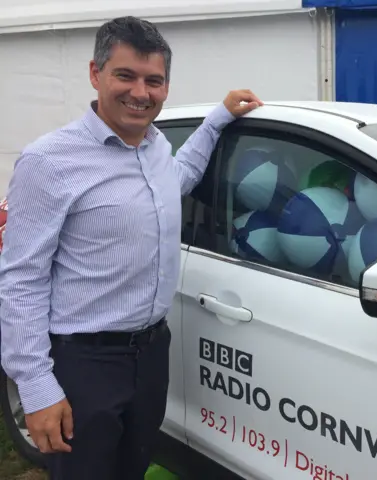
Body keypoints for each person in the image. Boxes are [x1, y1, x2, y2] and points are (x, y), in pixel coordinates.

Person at [0, 16, 262, 480]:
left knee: (131, 470)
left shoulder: (157, 148)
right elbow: (20, 280)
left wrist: (219, 118)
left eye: (154, 81)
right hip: (84, 363)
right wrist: (36, 386)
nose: (141, 92)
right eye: (126, 76)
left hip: (151, 354)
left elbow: (180, 177)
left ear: (165, 87)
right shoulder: (49, 161)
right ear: (95, 74)